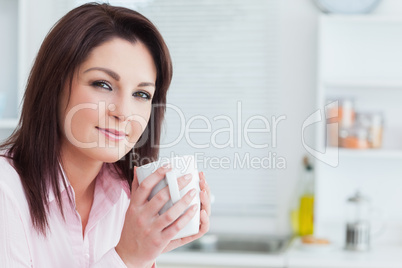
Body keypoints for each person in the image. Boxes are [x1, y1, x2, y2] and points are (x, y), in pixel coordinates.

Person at [0, 3, 211, 268]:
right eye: (103, 84)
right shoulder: (5, 191)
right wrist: (128, 257)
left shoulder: (125, 198)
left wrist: (149, 252)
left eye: (141, 94)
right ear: (54, 85)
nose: (123, 112)